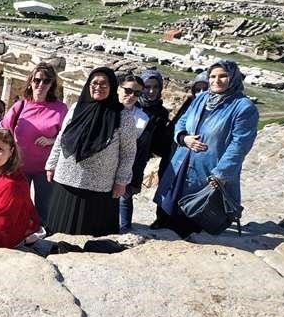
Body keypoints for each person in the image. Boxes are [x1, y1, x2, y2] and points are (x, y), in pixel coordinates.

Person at [154, 60, 258, 238]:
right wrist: (183, 138)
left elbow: (239, 145)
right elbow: (183, 121)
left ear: (233, 78)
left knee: (195, 214)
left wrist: (221, 174)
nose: (216, 80)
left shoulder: (243, 107)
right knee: (171, 207)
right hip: (183, 163)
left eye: (223, 76)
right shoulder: (202, 98)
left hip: (208, 172)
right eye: (212, 76)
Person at [44, 67, 137, 236]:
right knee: (60, 228)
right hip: (66, 180)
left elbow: (128, 152)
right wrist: (51, 164)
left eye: (104, 84)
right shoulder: (76, 108)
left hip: (99, 186)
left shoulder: (122, 116)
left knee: (92, 236)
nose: (98, 87)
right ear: (88, 85)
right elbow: (61, 137)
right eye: (94, 83)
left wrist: (121, 181)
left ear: (112, 87)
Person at [1, 62, 68, 222]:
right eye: (37, 80)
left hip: (46, 170)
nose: (41, 84)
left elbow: (68, 137)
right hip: (19, 166)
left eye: (46, 81)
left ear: (52, 84)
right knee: (15, 205)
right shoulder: (20, 106)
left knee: (44, 209)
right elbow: (3, 131)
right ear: (31, 82)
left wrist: (51, 140)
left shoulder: (61, 109)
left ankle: (41, 241)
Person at [120, 69, 172, 232]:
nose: (151, 91)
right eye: (147, 87)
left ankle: (124, 228)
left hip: (139, 158)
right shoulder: (130, 105)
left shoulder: (161, 112)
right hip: (118, 154)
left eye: (156, 87)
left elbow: (159, 140)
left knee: (125, 196)